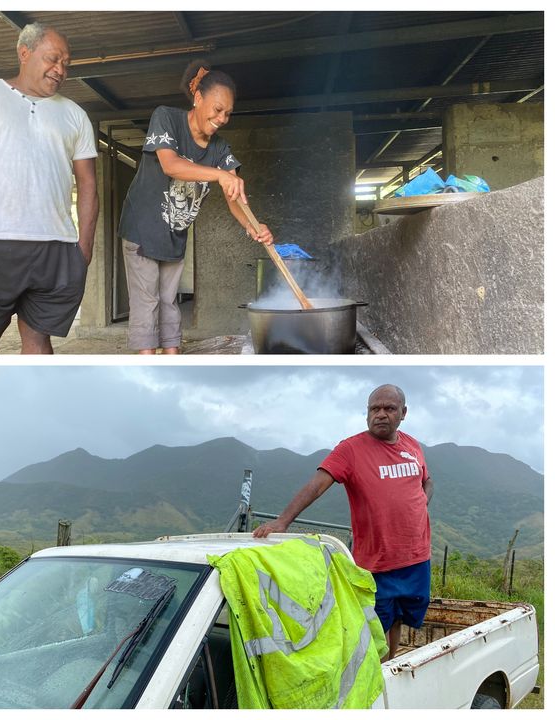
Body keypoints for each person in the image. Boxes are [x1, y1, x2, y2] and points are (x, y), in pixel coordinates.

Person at [0, 22, 99, 354]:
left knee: (39, 341)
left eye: (66, 63)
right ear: (24, 53)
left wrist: (83, 246)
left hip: (57, 249)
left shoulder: (75, 115)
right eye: (53, 59)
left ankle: (35, 407)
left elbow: (88, 184)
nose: (60, 69)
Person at [253, 384, 434, 661]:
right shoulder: (351, 449)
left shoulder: (412, 445)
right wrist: (282, 521)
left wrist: (421, 505)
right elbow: (317, 485)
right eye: (375, 409)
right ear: (366, 414)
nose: (381, 414)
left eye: (389, 408)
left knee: (399, 618)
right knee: (373, 626)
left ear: (403, 413)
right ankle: (375, 682)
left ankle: (390, 671)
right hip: (377, 563)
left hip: (416, 558)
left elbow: (427, 480)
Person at [117, 60, 274, 354]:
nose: (222, 118)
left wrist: (254, 226)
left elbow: (235, 198)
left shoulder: (220, 148)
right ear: (198, 98)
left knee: (169, 302)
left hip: (174, 235)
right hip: (142, 229)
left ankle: (173, 360)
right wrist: (219, 174)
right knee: (147, 304)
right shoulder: (166, 118)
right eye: (217, 109)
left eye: (227, 113)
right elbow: (170, 165)